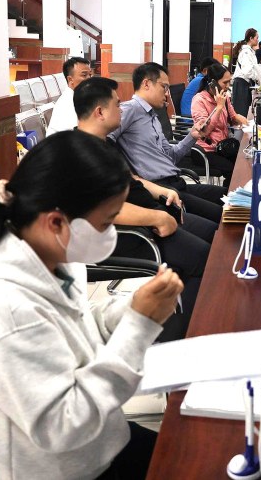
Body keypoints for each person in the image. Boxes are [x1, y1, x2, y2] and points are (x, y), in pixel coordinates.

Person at [0, 130, 185, 480]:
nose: (110, 231)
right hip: (46, 466)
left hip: (94, 444)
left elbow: (73, 329)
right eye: (106, 222)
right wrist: (139, 326)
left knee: (189, 452)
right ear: (55, 221)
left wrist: (128, 310)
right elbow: (63, 426)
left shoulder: (50, 254)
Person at [74, 77, 214, 339]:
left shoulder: (105, 143)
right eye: (117, 104)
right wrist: (157, 216)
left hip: (146, 216)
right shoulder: (80, 153)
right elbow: (103, 210)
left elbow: (133, 180)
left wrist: (162, 191)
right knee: (204, 257)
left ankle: (177, 318)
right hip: (127, 234)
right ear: (100, 112)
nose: (122, 108)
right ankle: (179, 337)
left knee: (208, 239)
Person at [110, 62, 228, 224]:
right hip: (161, 188)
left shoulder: (152, 115)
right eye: (163, 87)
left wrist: (192, 136)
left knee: (227, 195)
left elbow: (171, 156)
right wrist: (128, 174)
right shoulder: (129, 110)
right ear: (146, 84)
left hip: (176, 182)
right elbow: (103, 139)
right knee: (221, 215)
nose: (166, 94)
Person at [190, 63, 249, 187]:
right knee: (233, 170)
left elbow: (233, 117)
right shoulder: (199, 100)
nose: (228, 86)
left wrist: (247, 122)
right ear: (213, 83)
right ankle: (228, 198)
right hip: (205, 150)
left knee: (244, 161)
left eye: (229, 82)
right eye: (225, 82)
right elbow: (204, 131)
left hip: (222, 147)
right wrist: (219, 107)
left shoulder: (224, 97)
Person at [47, 56, 93, 134]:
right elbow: (74, 136)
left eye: (90, 75)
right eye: (84, 75)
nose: (89, 79)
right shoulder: (66, 103)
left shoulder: (80, 96)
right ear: (70, 79)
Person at [232, 27, 261, 116]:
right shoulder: (246, 52)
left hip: (244, 83)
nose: (258, 40)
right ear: (251, 38)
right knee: (240, 113)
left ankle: (240, 129)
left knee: (244, 110)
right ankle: (238, 130)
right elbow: (248, 71)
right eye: (257, 37)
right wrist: (258, 78)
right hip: (241, 84)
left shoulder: (249, 51)